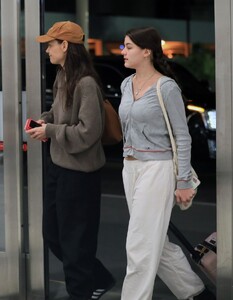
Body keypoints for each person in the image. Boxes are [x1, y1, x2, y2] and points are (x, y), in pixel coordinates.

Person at [118, 27, 216, 300]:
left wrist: (183, 181)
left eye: (128, 46)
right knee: (155, 243)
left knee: (138, 246)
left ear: (146, 51)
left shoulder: (166, 87)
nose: (122, 51)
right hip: (131, 168)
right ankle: (195, 294)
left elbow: (182, 138)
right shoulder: (127, 84)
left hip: (157, 169)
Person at [25, 21, 115, 300]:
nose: (47, 50)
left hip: (80, 174)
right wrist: (46, 120)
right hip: (59, 168)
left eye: (51, 44)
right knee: (53, 234)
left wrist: (50, 131)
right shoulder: (62, 75)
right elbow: (58, 113)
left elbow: (89, 132)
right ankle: (98, 278)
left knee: (76, 242)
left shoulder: (86, 83)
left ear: (65, 46)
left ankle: (82, 291)